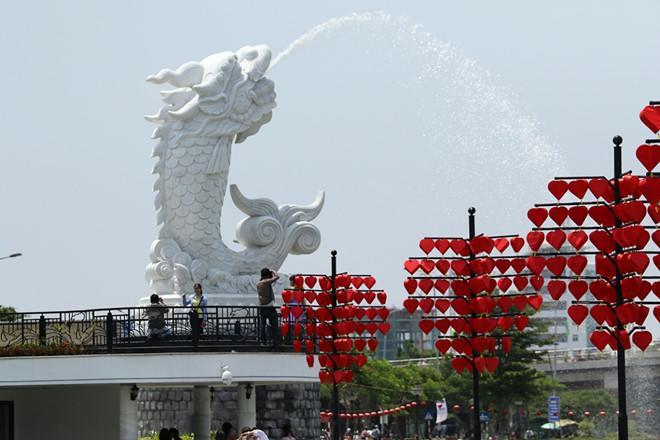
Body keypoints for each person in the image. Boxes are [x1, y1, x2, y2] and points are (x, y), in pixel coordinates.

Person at [256, 268, 281, 346]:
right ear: (267, 275)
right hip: (268, 306)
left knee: (262, 325)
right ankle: (275, 341)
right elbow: (277, 277)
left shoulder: (259, 283)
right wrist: (273, 270)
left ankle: (263, 341)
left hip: (261, 306)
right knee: (274, 324)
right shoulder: (266, 282)